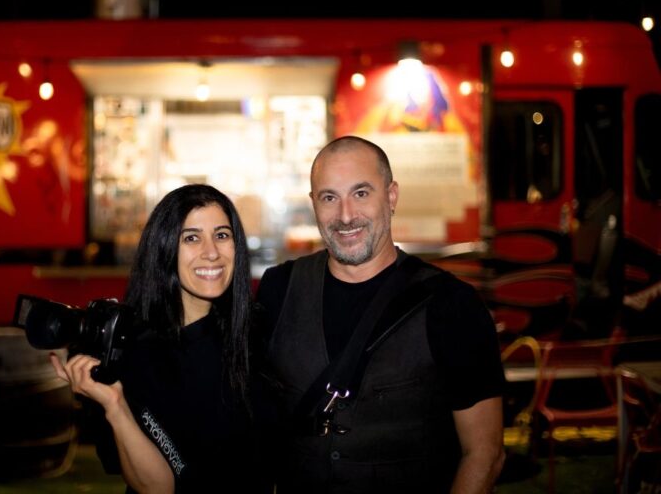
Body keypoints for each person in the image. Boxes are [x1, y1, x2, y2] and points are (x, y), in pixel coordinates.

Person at [256, 136, 506, 493]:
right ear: (313, 204)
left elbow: (485, 453)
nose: (345, 216)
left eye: (361, 193)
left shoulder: (452, 305)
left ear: (391, 197)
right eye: (329, 197)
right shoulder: (278, 289)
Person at [51, 184, 271, 494]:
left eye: (222, 235)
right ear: (165, 247)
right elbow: (158, 487)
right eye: (191, 238)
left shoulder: (257, 333)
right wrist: (115, 406)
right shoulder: (132, 349)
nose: (211, 252)